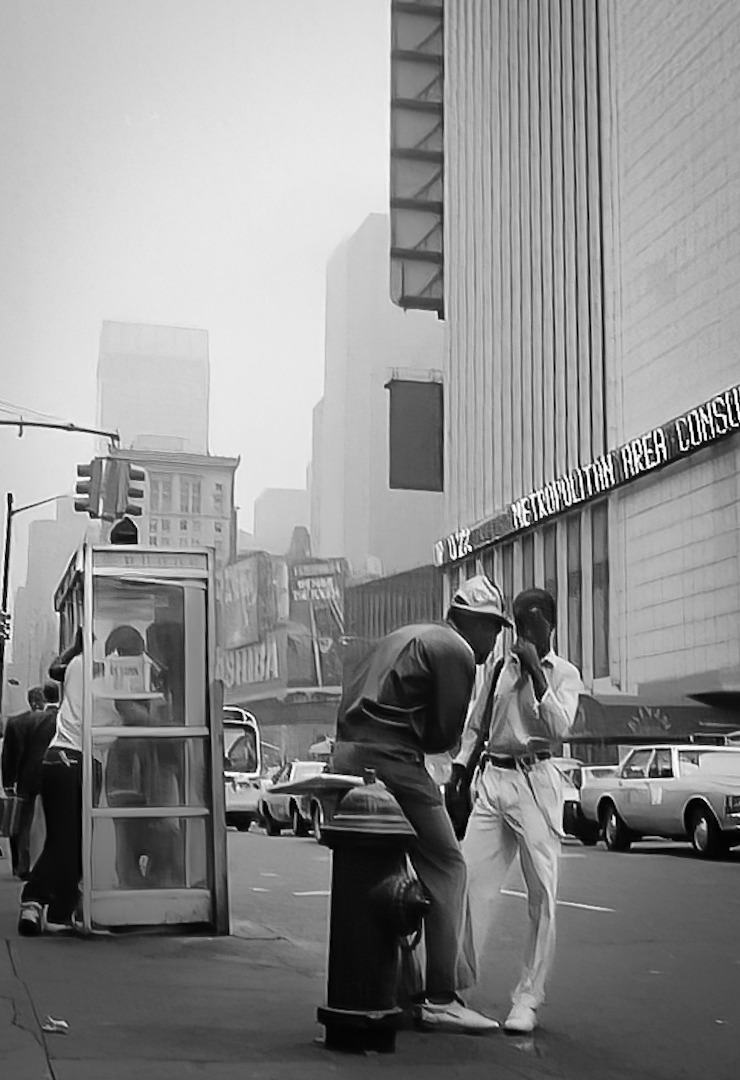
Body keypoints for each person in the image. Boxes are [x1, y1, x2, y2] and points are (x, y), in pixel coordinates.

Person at [332, 574, 513, 1035]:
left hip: (349, 756)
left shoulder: (403, 635)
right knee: (447, 865)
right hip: (394, 760)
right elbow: (443, 736)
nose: (493, 642)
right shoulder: (455, 652)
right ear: (472, 622)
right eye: (493, 629)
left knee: (386, 869)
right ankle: (441, 996)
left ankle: (400, 987)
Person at [454, 587, 584, 1035]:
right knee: (468, 881)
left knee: (541, 894)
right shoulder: (496, 671)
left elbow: (558, 727)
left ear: (551, 625)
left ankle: (528, 997)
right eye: (519, 622)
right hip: (495, 779)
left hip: (537, 781)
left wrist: (535, 671)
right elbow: (477, 727)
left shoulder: (565, 674)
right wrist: (457, 773)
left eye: (533, 622)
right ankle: (454, 985)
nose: (524, 631)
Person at [18, 628, 86, 934]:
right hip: (75, 758)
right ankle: (34, 901)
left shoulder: (74, 664)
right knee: (68, 841)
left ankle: (60, 909)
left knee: (68, 839)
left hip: (57, 758)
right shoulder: (99, 667)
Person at [1, 682, 59, 879]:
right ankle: (46, 862)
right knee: (52, 820)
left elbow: (9, 755)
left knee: (22, 822)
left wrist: (8, 782)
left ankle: (22, 866)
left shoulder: (16, 722)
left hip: (26, 777)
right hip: (53, 773)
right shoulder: (58, 719)